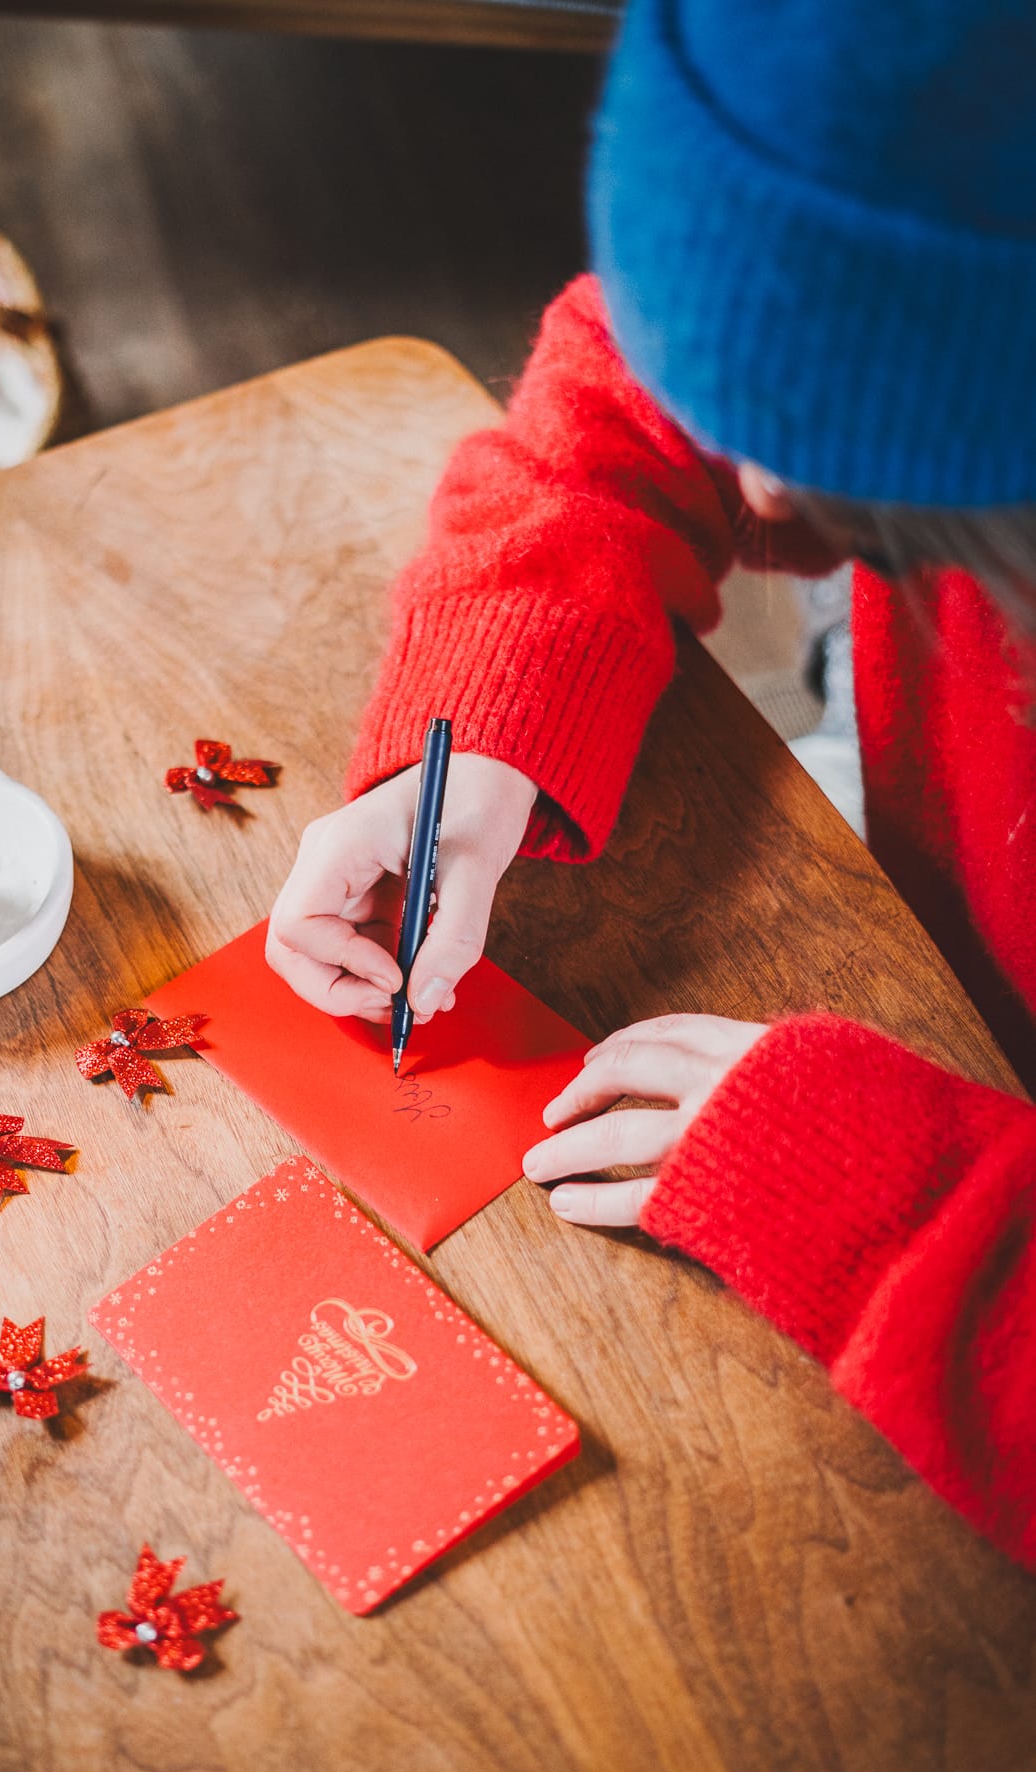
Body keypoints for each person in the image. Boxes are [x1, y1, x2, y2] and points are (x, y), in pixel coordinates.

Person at [266, 0, 1036, 1569]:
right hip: (933, 911)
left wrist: (880, 1196)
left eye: (849, 453)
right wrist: (487, 715)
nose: (756, 493)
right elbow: (630, 390)